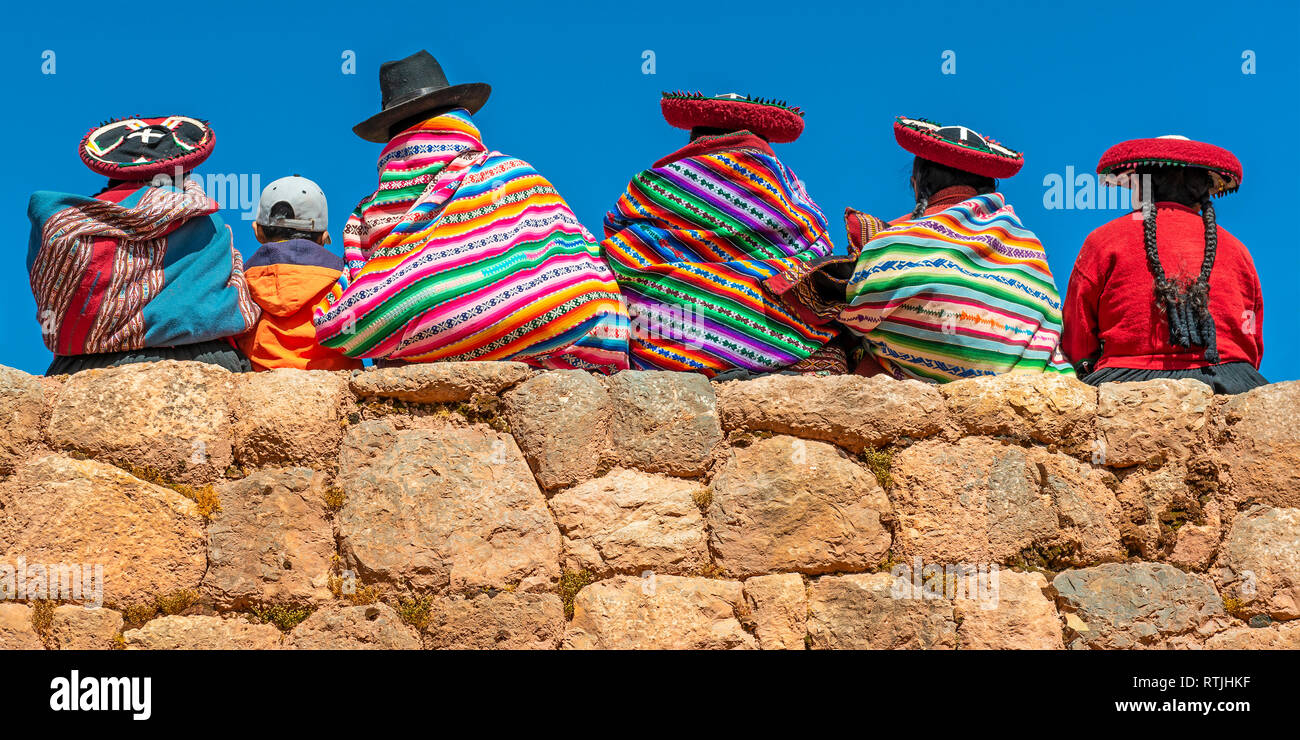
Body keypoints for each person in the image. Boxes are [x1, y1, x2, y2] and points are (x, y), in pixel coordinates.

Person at [312, 51, 628, 372]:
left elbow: (350, 314)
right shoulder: (512, 174)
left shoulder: (367, 216)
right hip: (559, 333)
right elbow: (585, 277)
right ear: (458, 120)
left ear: (394, 140)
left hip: (422, 353)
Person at [601, 91, 844, 376]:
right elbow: (820, 249)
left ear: (696, 139)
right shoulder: (787, 191)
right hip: (780, 341)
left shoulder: (660, 186)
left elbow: (617, 232)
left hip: (669, 347)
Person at [825, 116, 1074, 381]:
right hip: (1025, 386)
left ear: (918, 183)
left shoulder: (895, 244)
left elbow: (858, 315)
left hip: (911, 393)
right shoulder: (1029, 246)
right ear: (989, 187)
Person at [28, 115, 259, 375]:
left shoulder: (62, 225)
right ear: (184, 171)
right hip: (203, 361)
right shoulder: (206, 221)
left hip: (85, 366)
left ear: (112, 172)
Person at [1062, 135, 1265, 393]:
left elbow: (1077, 337)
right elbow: (1252, 341)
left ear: (1141, 185)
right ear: (1203, 190)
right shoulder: (1239, 251)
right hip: (1231, 382)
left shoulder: (1103, 240)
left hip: (1126, 382)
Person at [238, 176, 363, 371]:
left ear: (258, 232)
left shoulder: (241, 280)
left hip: (260, 375)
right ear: (323, 238)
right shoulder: (347, 278)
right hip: (336, 375)